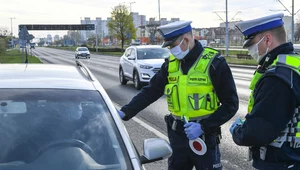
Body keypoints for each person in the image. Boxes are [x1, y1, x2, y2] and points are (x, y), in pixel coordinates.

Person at [118, 20, 238, 170]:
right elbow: (150, 91)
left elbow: (230, 105)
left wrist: (203, 126)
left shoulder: (214, 63)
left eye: (172, 46)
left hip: (205, 138)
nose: (171, 51)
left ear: (186, 40)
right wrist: (125, 112)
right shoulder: (170, 64)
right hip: (178, 137)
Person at [230, 13, 300, 170]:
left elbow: (259, 131)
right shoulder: (294, 64)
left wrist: (238, 132)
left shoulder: (277, 78)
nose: (250, 50)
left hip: (280, 162)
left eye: (251, 44)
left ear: (267, 39)